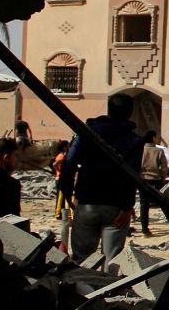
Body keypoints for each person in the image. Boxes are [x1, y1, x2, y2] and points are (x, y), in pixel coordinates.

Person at [59, 93, 145, 269]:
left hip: (86, 200)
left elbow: (69, 163)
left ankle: (81, 294)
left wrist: (68, 194)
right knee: (112, 261)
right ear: (130, 112)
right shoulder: (134, 140)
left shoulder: (85, 133)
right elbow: (132, 175)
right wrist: (127, 207)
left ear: (109, 109)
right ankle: (107, 293)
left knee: (81, 259)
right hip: (116, 207)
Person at [138, 130, 169, 236]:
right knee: (163, 203)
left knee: (144, 205)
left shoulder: (141, 150)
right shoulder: (158, 151)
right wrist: (163, 177)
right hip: (156, 180)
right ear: (153, 138)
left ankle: (145, 230)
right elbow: (164, 166)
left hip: (143, 179)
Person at [0, 138, 21, 220]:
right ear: (6, 158)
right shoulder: (11, 184)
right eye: (15, 155)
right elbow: (14, 220)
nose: (17, 160)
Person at [51, 140, 69, 219]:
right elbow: (54, 164)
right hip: (60, 179)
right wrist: (59, 171)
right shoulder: (61, 156)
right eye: (67, 146)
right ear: (64, 147)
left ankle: (60, 213)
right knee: (61, 196)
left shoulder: (61, 155)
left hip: (59, 178)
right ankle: (58, 213)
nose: (68, 147)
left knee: (61, 196)